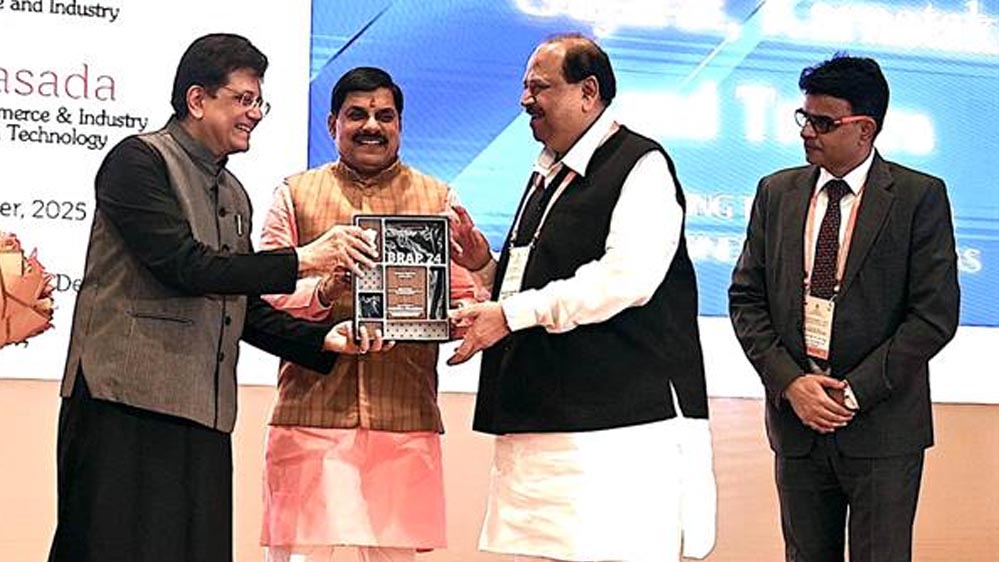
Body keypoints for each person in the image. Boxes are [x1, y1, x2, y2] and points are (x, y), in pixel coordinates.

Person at [48, 34, 389, 562]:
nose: (255, 113)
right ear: (197, 99)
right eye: (243, 99)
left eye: (259, 102)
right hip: (122, 406)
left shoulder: (234, 193)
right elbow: (184, 265)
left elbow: (239, 306)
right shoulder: (137, 161)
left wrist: (324, 339)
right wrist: (304, 259)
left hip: (202, 414)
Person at [449, 34, 714, 562]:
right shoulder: (546, 170)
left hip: (615, 430)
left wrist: (510, 314)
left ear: (588, 92)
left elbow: (626, 278)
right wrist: (483, 266)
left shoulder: (640, 164)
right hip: (540, 420)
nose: (525, 100)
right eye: (525, 87)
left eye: (539, 87)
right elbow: (535, 281)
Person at [728, 55, 960, 562]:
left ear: (865, 129)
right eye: (804, 117)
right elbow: (746, 297)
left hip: (882, 427)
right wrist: (791, 383)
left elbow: (934, 316)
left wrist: (853, 393)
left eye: (823, 122)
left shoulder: (918, 197)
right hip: (798, 424)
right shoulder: (776, 192)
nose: (806, 131)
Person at [257, 66, 476, 562]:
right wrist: (326, 288)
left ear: (400, 124)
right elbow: (265, 296)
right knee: (300, 557)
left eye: (385, 116)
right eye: (357, 114)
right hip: (311, 410)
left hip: (404, 413)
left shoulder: (439, 200)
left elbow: (467, 297)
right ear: (332, 123)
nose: (371, 126)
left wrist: (445, 313)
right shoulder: (295, 194)